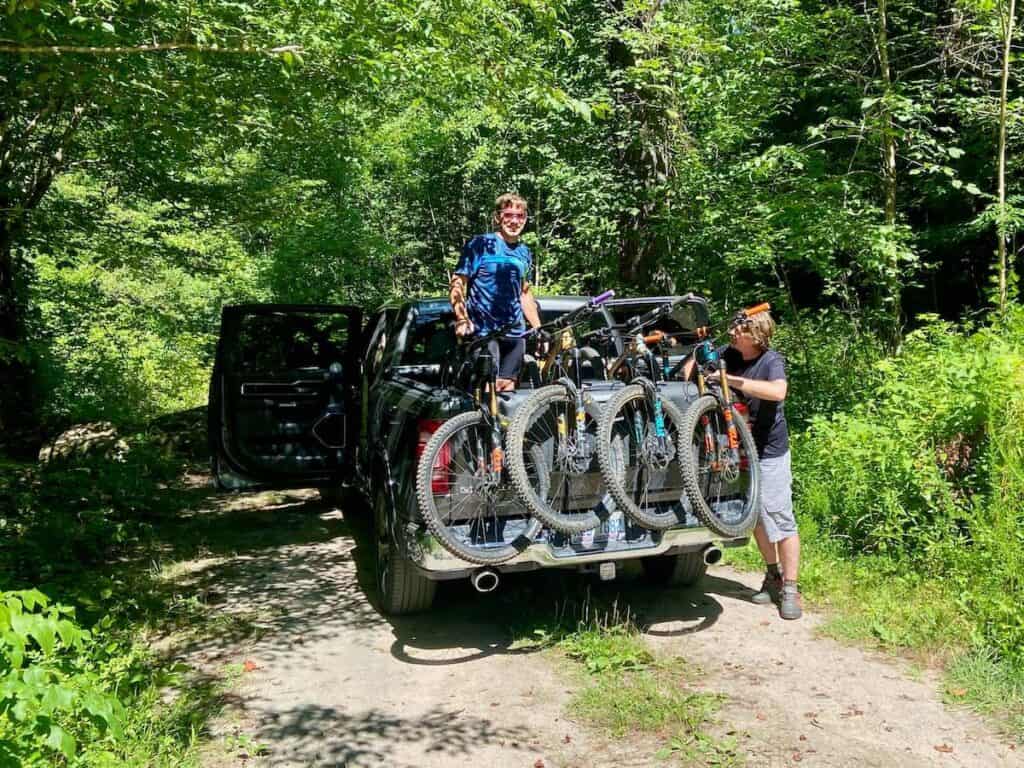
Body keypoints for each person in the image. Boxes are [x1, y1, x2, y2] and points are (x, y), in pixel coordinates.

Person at [685, 310, 801, 620]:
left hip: (770, 450)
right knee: (758, 516)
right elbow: (690, 370)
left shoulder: (770, 360)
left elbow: (778, 391)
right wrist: (698, 354)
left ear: (756, 335)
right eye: (734, 328)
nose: (734, 333)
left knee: (781, 517)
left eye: (740, 330)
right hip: (739, 452)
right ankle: (772, 575)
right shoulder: (728, 352)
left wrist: (732, 380)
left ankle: (791, 587)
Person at [449, 193, 543, 391]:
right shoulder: (480, 244)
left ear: (525, 219)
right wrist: (462, 318)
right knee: (487, 392)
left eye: (520, 216)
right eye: (508, 214)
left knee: (506, 391)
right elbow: (458, 282)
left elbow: (524, 292)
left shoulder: (524, 252)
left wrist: (538, 328)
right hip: (485, 332)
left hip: (515, 334)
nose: (514, 221)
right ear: (497, 217)